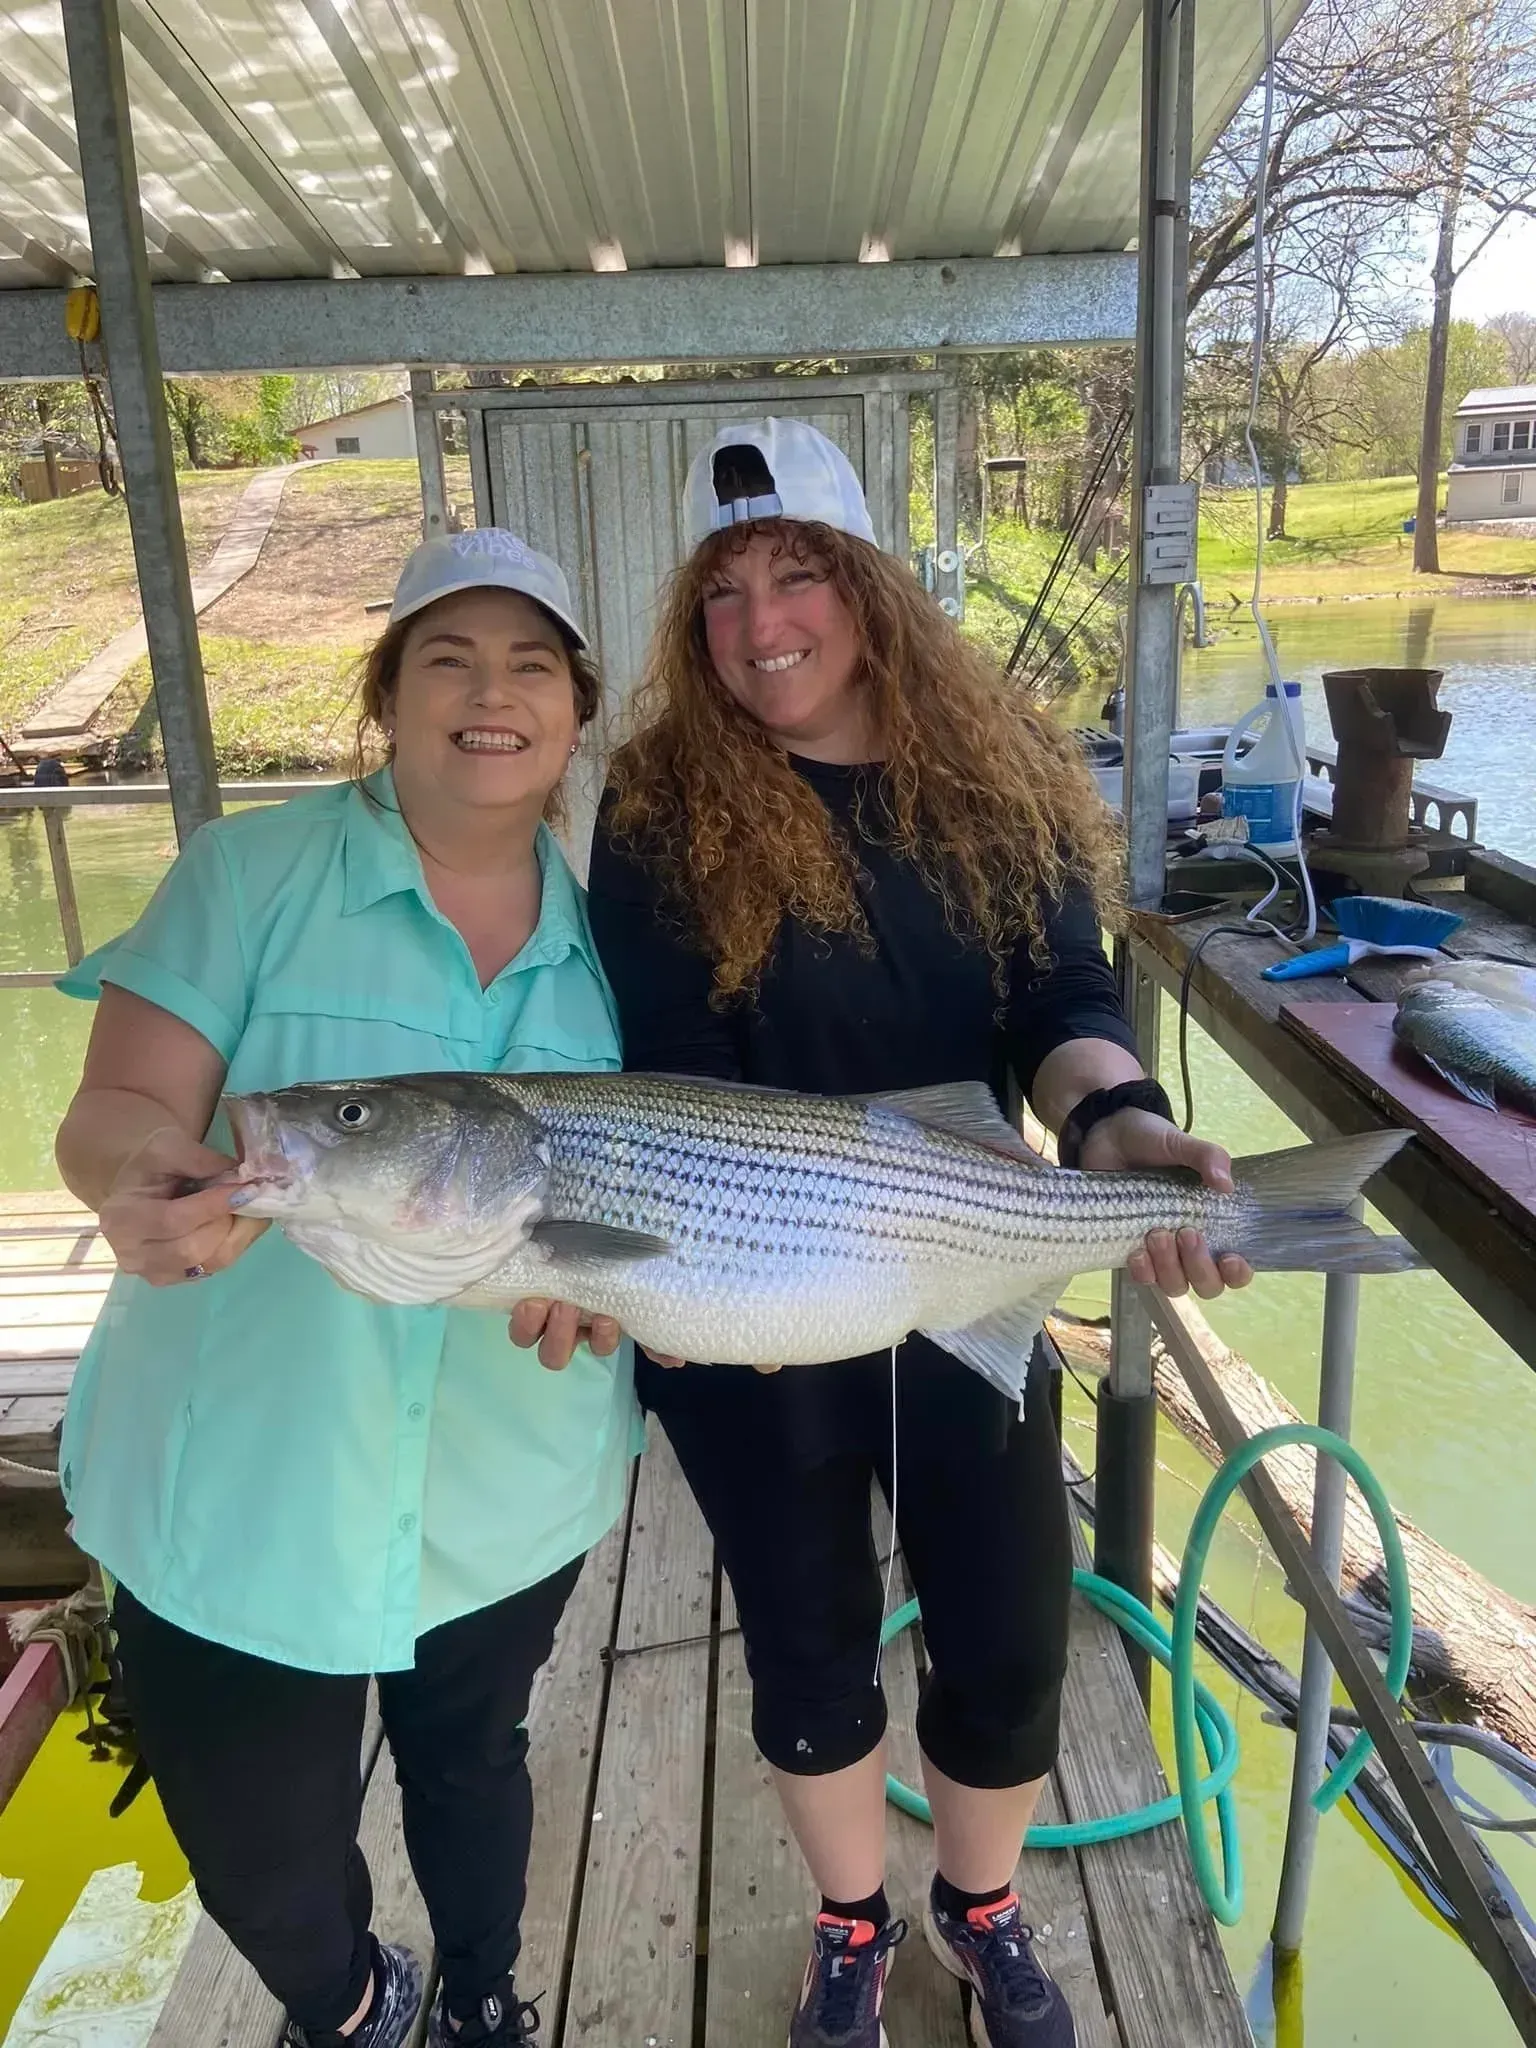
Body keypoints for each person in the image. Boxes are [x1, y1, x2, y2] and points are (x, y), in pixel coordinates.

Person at [582, 420, 1252, 2048]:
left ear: (870, 582)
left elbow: (1062, 1003)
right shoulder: (661, 797)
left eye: (800, 571)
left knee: (1014, 1641)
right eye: (725, 589)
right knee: (808, 1649)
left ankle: (982, 1904)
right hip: (755, 1281)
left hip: (969, 1258)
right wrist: (660, 1268)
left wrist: (1117, 1128)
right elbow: (670, 1055)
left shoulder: (995, 763)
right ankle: (850, 1921)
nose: (763, 624)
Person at [53, 528, 641, 2048]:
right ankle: (350, 2000)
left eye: (529, 664)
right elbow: (117, 1106)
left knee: (474, 1761)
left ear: (577, 710)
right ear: (388, 692)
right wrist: (136, 1181)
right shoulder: (248, 873)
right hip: (242, 1482)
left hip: (505, 1488)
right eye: (447, 657)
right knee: (257, 1841)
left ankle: (485, 1991)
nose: (489, 694)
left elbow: (657, 1199)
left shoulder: (616, 943)